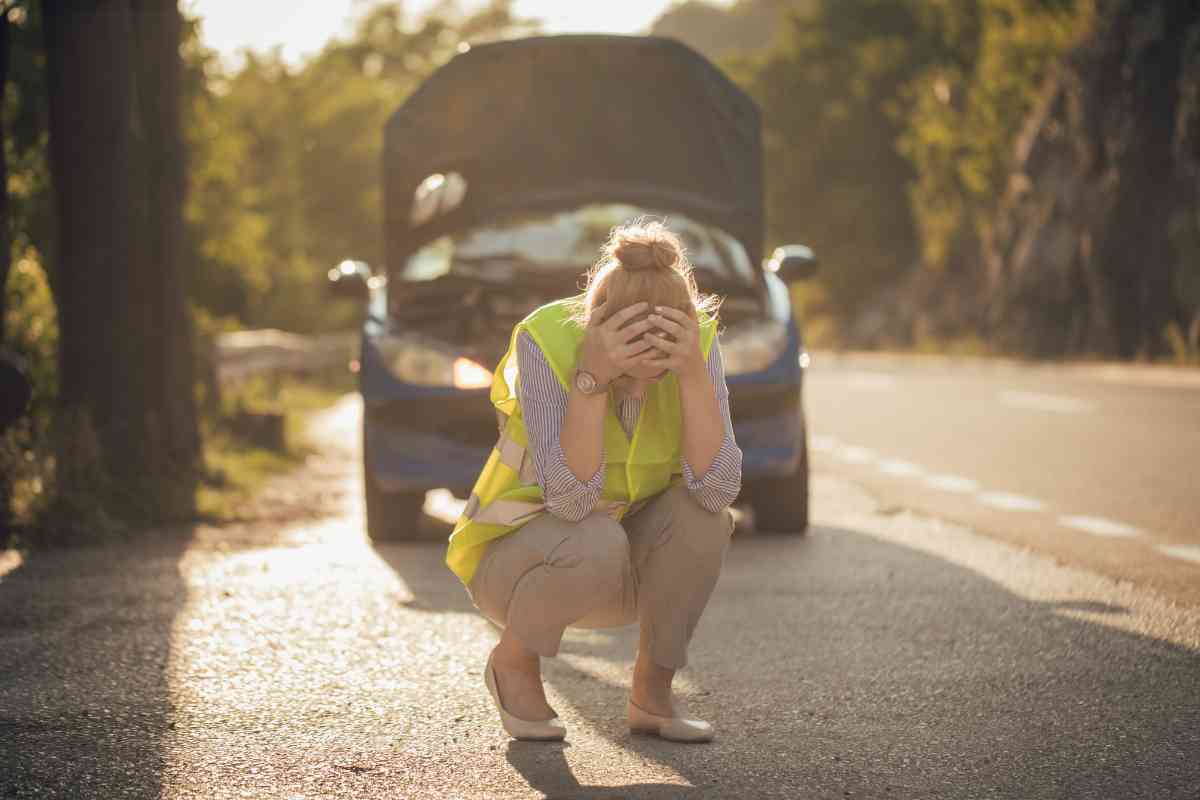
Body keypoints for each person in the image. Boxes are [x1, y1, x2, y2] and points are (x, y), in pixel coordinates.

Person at [445, 219, 742, 743]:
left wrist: (693, 374)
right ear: (600, 324)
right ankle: (513, 661)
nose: (652, 368)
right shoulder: (547, 341)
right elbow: (572, 500)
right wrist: (592, 379)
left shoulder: (697, 345)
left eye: (666, 346)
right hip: (518, 568)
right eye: (636, 346)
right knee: (596, 537)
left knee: (705, 518)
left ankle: (652, 695)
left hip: (618, 567)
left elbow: (717, 490)